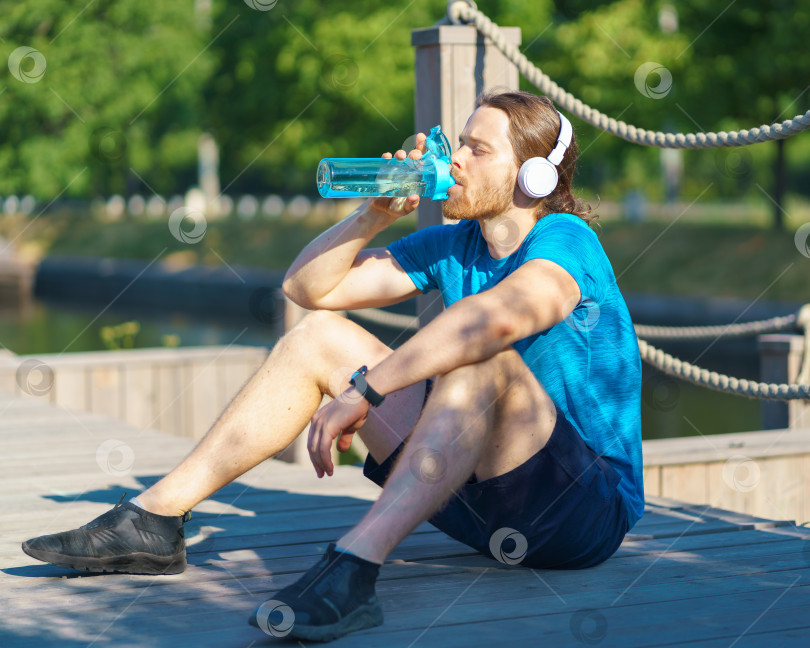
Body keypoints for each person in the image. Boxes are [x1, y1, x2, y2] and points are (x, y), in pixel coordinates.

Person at [22, 90, 643, 643]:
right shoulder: (455, 244)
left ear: (532, 175)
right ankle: (155, 521)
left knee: (480, 355)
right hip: (478, 504)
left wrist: (367, 390)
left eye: (477, 150)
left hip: (578, 516)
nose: (454, 159)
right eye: (459, 143)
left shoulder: (566, 241)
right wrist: (376, 212)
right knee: (316, 338)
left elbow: (496, 322)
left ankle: (352, 567)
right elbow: (308, 287)